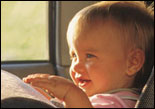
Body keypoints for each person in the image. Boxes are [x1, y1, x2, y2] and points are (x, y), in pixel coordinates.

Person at [23, 1, 154, 108]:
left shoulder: (119, 103)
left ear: (133, 62)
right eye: (74, 56)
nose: (75, 67)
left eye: (90, 56)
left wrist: (71, 94)